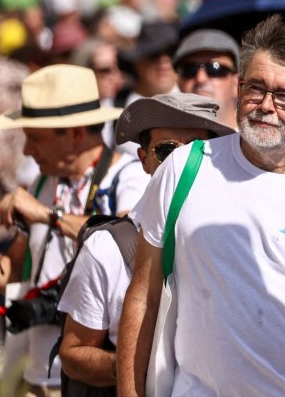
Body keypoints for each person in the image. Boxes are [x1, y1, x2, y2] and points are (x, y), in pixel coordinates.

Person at [117, 15, 285, 397]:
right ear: (238, 89)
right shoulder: (184, 168)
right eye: (256, 88)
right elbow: (143, 295)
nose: (266, 105)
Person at [55, 93, 234, 390]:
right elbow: (72, 353)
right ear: (144, 160)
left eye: (194, 151)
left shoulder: (235, 240)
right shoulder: (107, 248)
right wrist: (139, 366)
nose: (180, 163)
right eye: (167, 151)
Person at [0, 65, 147, 395]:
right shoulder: (43, 182)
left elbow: (131, 242)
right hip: (36, 371)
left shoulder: (128, 177)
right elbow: (16, 268)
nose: (26, 150)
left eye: (35, 138)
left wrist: (47, 215)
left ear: (77, 133)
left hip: (90, 378)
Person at [173, 29, 240, 129]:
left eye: (214, 68)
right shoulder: (163, 141)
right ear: (178, 82)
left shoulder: (255, 141)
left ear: (237, 83)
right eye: (189, 69)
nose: (200, 78)